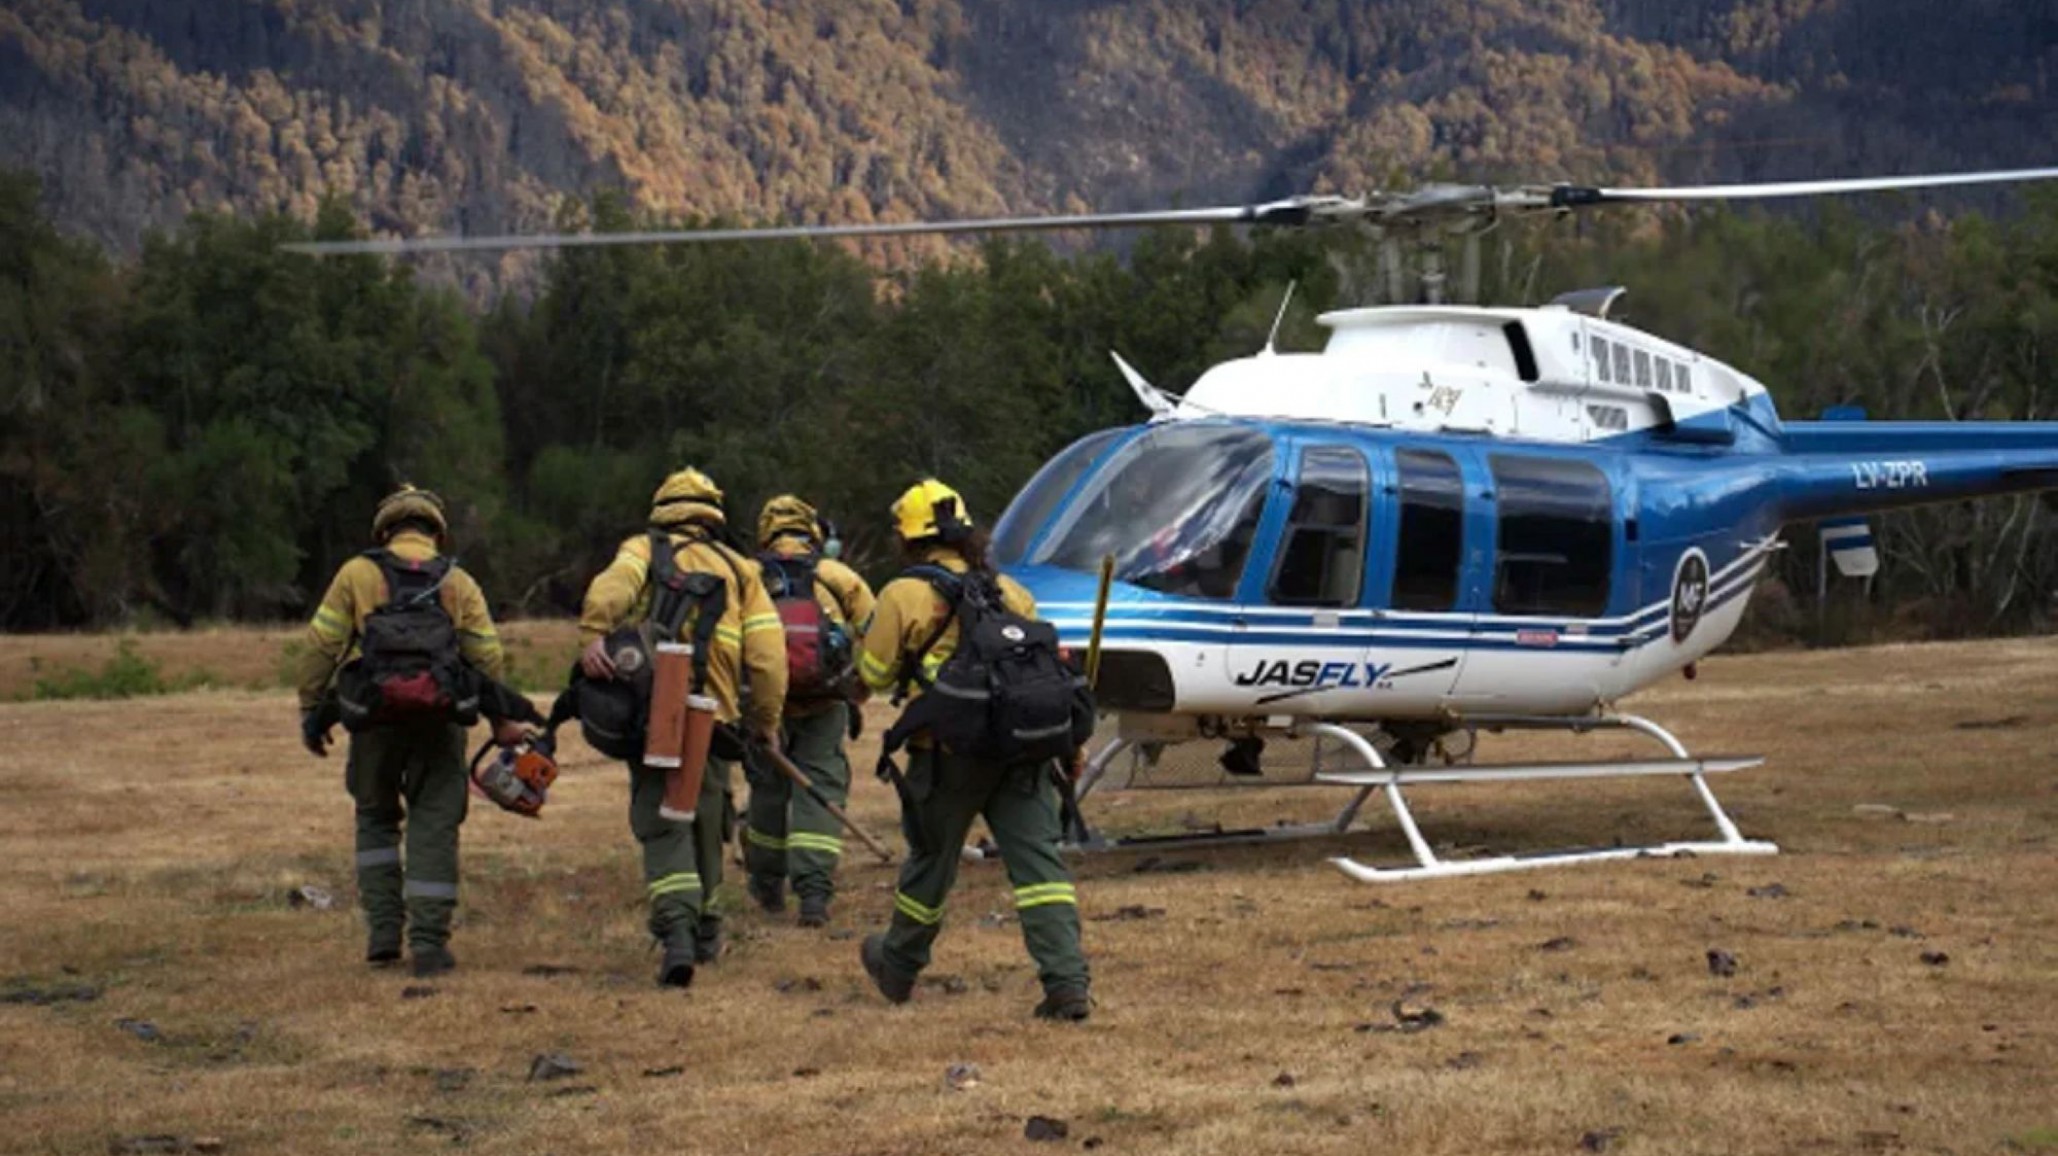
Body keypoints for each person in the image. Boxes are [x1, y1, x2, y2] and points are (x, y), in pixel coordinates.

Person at [855, 479, 1092, 1021]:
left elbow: (874, 671)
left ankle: (897, 966)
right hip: (1022, 751)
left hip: (947, 754)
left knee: (931, 862)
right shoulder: (1009, 590)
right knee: (1039, 869)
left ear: (909, 539)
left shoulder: (903, 594)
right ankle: (1067, 983)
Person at [294, 485, 526, 978]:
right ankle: (428, 944)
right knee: (434, 825)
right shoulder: (457, 580)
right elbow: (486, 656)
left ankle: (382, 936)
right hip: (440, 723)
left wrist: (312, 709)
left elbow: (320, 647)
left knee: (376, 820)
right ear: (435, 532)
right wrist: (501, 718)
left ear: (385, 530)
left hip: (374, 721)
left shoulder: (356, 574)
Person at [578, 467, 787, 988]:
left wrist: (594, 634)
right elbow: (767, 658)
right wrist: (764, 722)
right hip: (715, 718)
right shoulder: (742, 569)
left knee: (662, 816)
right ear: (712, 512)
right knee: (709, 818)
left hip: (657, 713)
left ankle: (676, 932)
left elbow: (611, 591)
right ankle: (708, 930)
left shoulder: (645, 550)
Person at [743, 495, 876, 928]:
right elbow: (878, 634)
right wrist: (862, 685)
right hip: (824, 701)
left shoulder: (746, 577)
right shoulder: (839, 577)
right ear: (813, 532)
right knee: (819, 788)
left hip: (766, 704)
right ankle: (814, 896)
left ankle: (766, 886)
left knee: (766, 792)